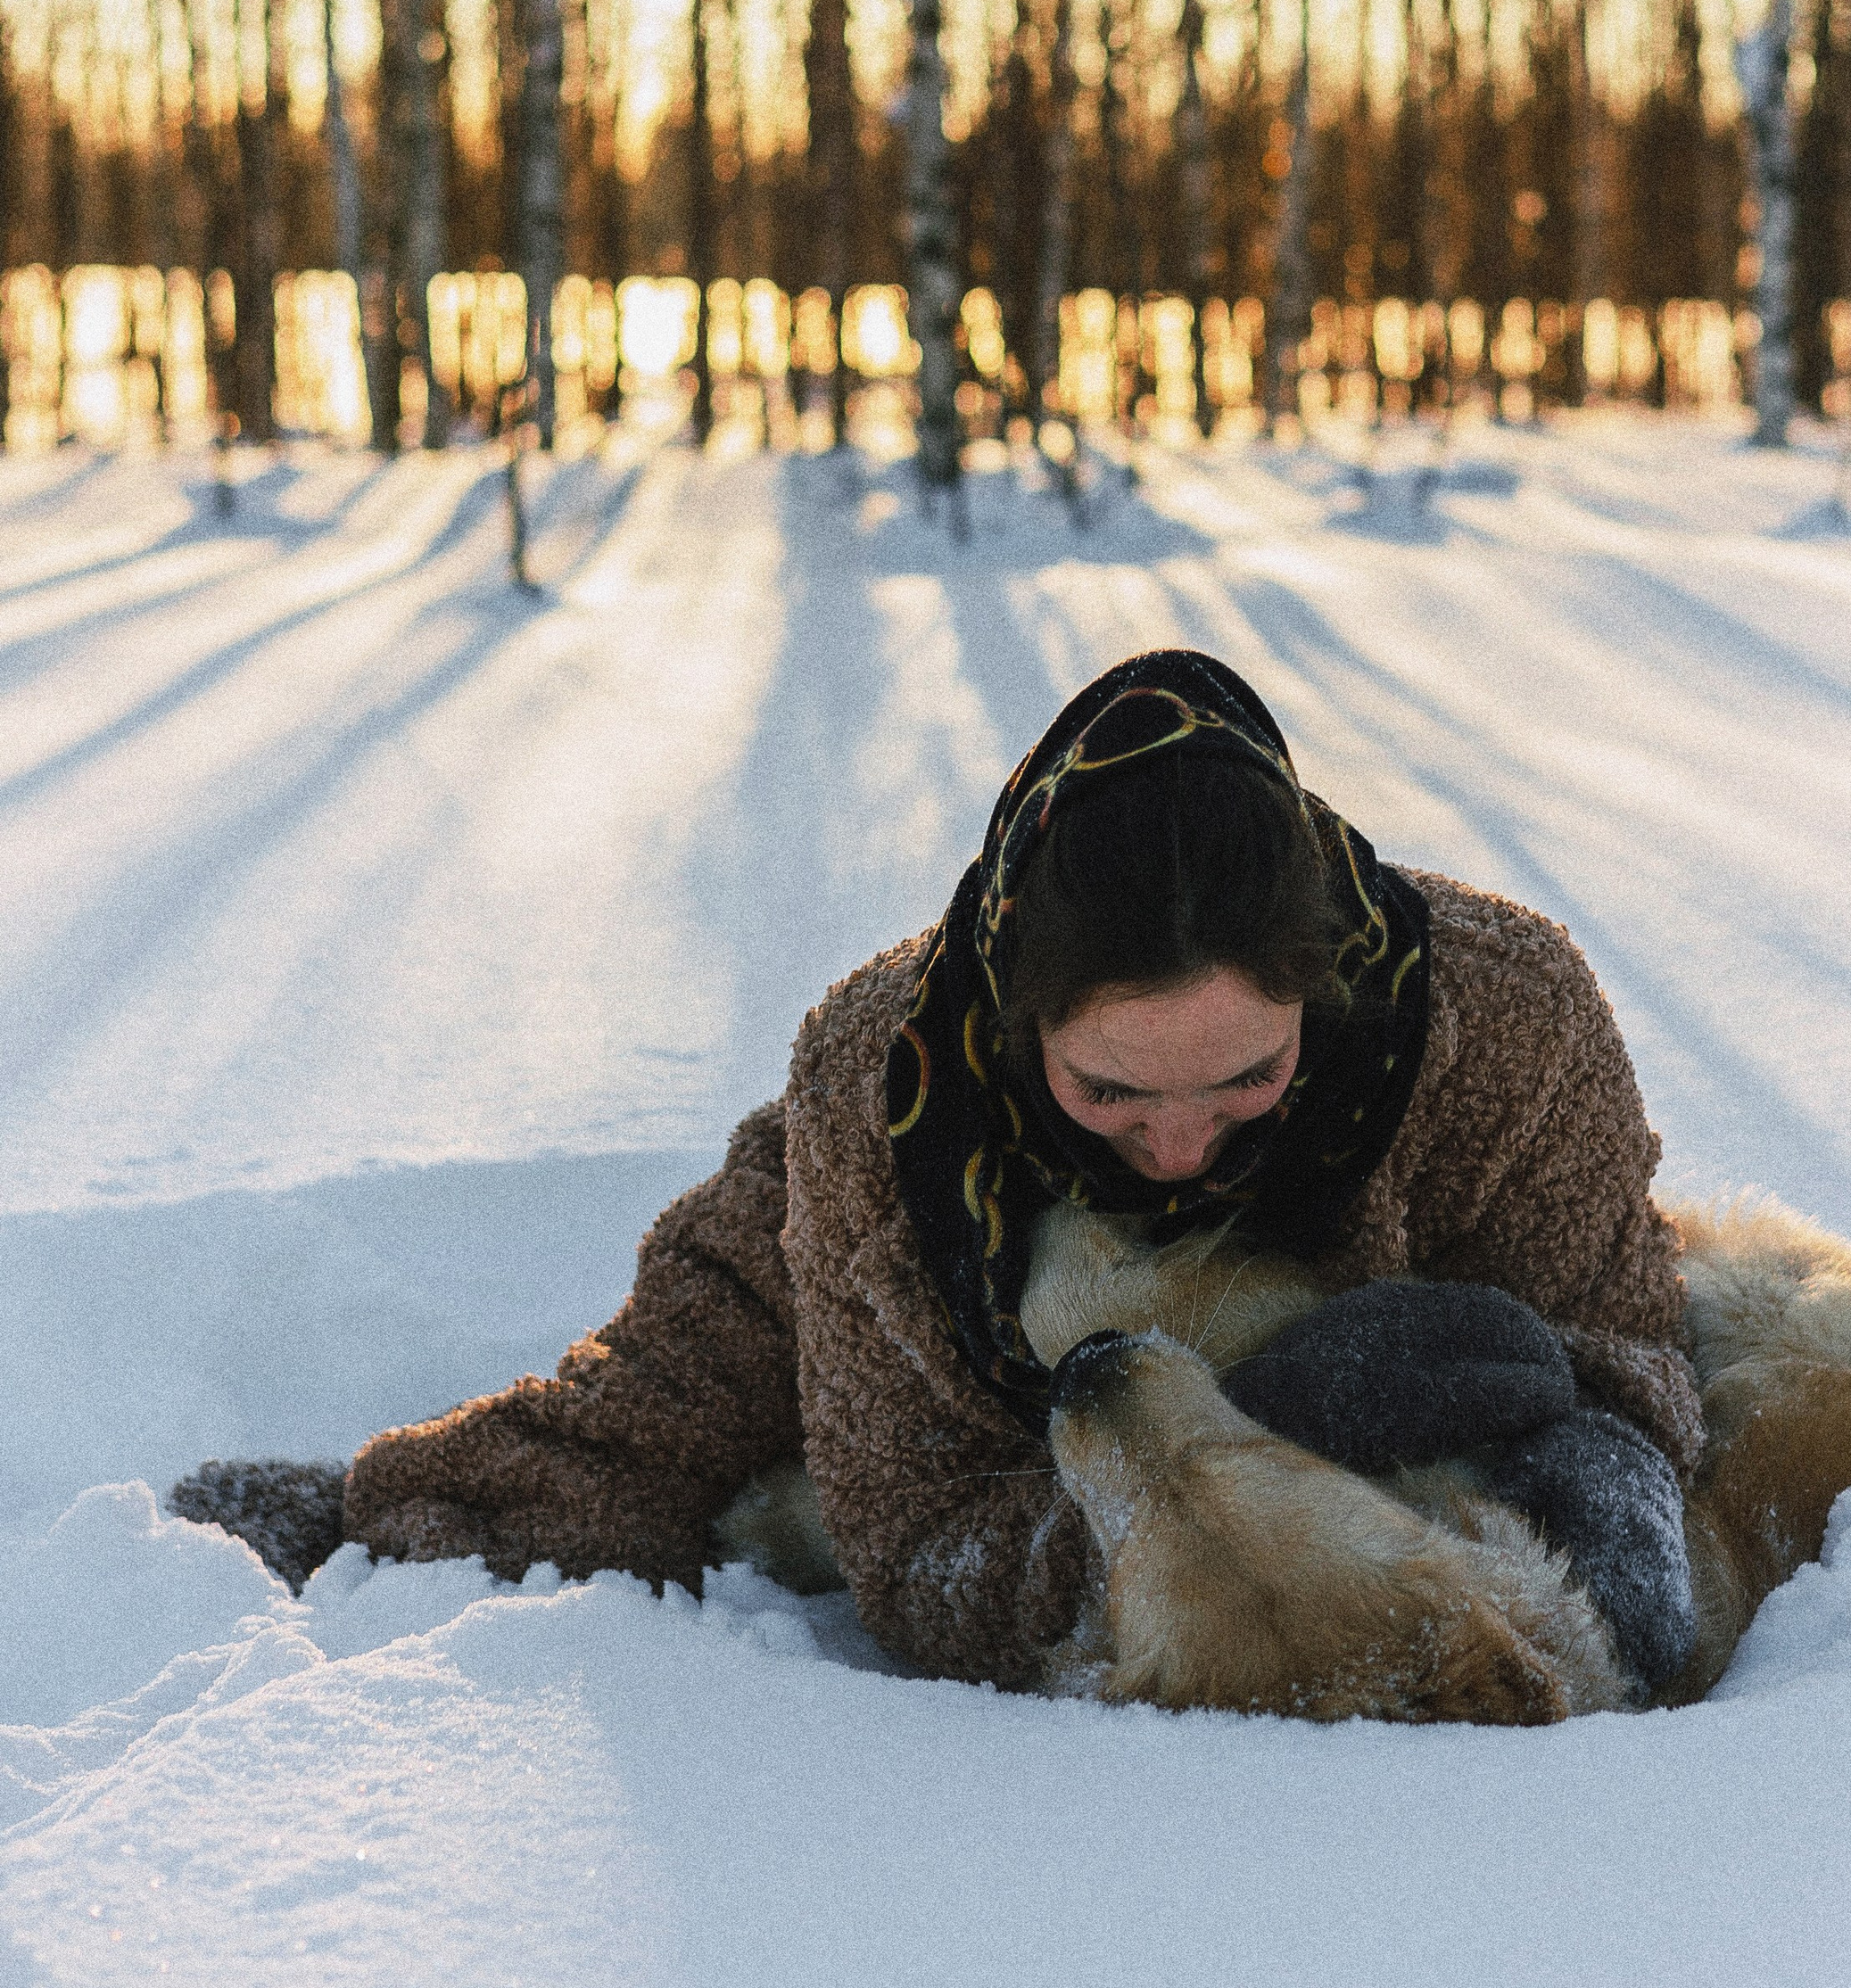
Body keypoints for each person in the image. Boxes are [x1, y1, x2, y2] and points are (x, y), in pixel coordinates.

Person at [240, 651, 1703, 1691]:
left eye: (1249, 1078)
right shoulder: (879, 1079)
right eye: (1113, 1089)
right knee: (646, 1430)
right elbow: (922, 1555)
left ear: (1322, 993)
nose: (1184, 1146)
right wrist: (1227, 1450)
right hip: (891, 1248)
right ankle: (351, 1515)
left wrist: (1598, 1484)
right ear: (1023, 1022)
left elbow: (1630, 1351)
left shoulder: (1508, 1017)